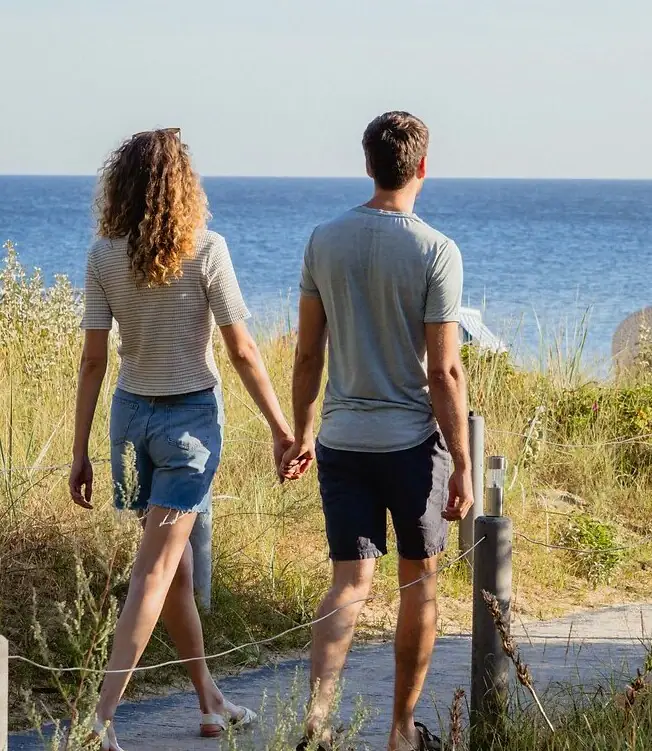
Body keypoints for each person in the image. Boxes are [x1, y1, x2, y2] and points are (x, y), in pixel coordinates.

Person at [70, 128, 296, 750]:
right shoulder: (207, 248)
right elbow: (243, 348)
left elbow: (93, 362)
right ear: (183, 186)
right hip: (189, 426)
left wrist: (80, 449)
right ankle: (102, 718)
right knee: (155, 570)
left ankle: (209, 700)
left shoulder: (103, 255)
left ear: (121, 185)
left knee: (170, 569)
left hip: (127, 424)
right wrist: (282, 428)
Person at [281, 111, 473, 751]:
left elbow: (308, 355)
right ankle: (398, 732)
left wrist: (301, 431)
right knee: (418, 582)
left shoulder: (322, 241)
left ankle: (317, 724)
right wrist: (466, 464)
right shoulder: (436, 251)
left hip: (341, 440)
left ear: (367, 164)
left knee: (348, 582)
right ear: (423, 167)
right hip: (414, 446)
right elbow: (444, 371)